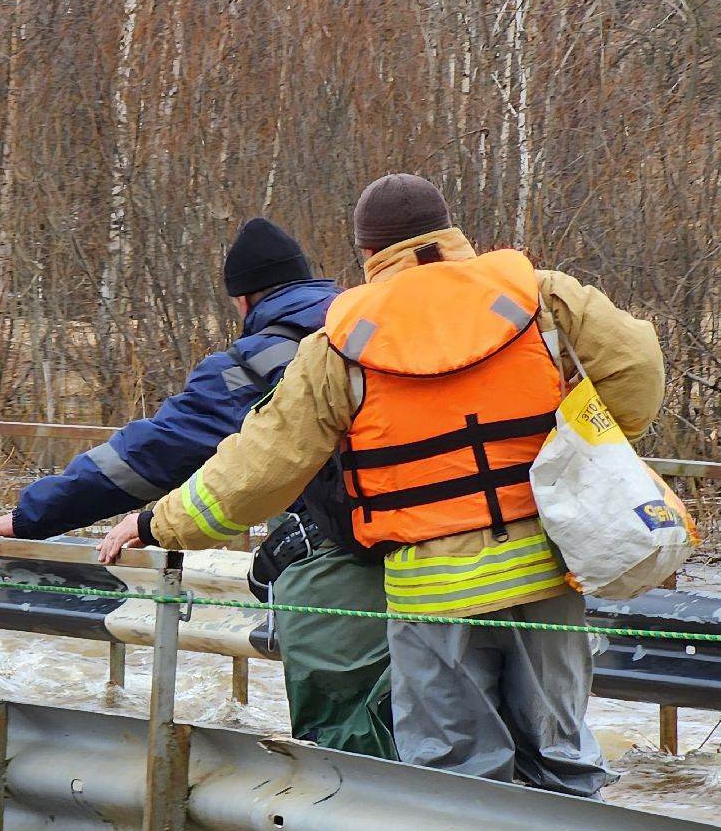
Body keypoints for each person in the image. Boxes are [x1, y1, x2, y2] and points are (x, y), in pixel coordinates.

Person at [101, 174, 664, 797]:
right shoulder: (541, 297)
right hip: (546, 573)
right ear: (452, 235)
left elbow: (257, 470)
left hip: (433, 591)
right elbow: (637, 373)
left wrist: (158, 522)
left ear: (368, 254)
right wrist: (567, 448)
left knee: (455, 771)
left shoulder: (341, 344)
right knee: (559, 754)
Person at [0, 218, 397, 758]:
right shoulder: (376, 325)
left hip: (353, 562)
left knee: (347, 733)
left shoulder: (256, 364)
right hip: (461, 544)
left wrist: (32, 516)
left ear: (243, 302)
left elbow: (147, 456)